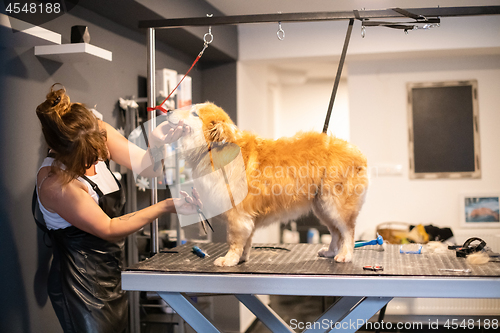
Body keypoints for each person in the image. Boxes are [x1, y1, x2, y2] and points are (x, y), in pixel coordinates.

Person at [35, 84, 200, 333]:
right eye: (88, 157)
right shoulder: (56, 184)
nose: (97, 159)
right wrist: (166, 206)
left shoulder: (93, 131)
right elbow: (110, 228)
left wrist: (155, 140)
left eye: (99, 150)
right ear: (64, 153)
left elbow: (149, 168)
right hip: (80, 283)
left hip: (112, 270)